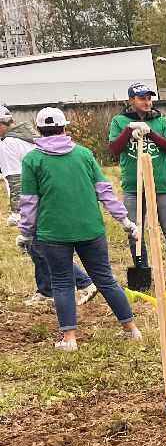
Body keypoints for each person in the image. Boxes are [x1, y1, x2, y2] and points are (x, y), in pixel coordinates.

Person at [16, 107, 142, 351]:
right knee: (105, 278)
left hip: (53, 233)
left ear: (39, 131)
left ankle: (69, 339)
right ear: (65, 128)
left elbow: (29, 202)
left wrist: (25, 232)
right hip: (90, 229)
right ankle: (131, 329)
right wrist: (124, 219)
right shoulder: (83, 154)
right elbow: (104, 190)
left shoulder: (32, 160)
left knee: (62, 283)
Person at [3, 106, 97, 306]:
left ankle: (83, 283)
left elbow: (15, 178)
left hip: (34, 200)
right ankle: (46, 290)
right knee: (39, 248)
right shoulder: (26, 137)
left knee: (43, 249)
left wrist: (18, 211)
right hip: (48, 196)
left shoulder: (8, 143)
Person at [108, 83, 166, 283]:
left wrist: (150, 133)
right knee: (135, 231)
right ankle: (143, 271)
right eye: (142, 98)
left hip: (161, 185)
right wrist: (128, 130)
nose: (147, 102)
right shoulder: (119, 121)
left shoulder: (161, 122)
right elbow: (114, 149)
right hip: (133, 186)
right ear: (131, 100)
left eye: (149, 98)